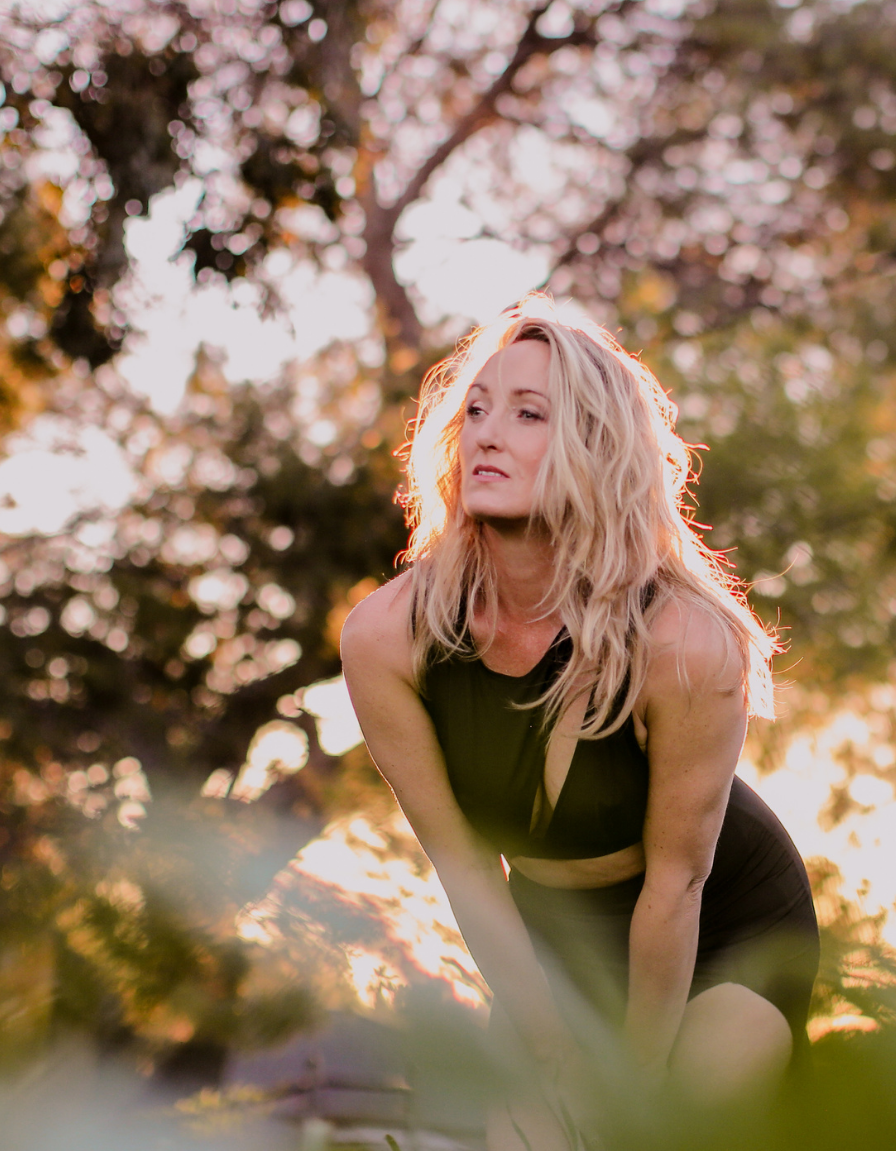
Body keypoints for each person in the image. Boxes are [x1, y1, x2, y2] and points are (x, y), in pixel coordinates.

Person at [340, 295, 819, 1150]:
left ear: (596, 445)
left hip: (720, 919)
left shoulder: (684, 642)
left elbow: (677, 883)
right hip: (554, 931)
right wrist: (552, 1046)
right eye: (477, 409)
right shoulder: (387, 637)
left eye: (529, 414)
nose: (488, 434)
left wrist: (631, 1087)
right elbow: (466, 866)